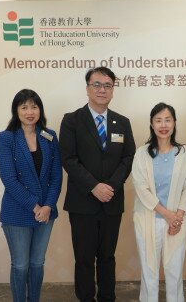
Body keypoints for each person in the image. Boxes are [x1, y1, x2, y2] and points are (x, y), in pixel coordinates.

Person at [59, 66, 136, 301]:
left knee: (107, 257)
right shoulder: (72, 120)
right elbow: (68, 159)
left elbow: (128, 157)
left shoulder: (122, 122)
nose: (102, 90)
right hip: (82, 202)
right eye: (97, 85)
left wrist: (109, 186)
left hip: (111, 201)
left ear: (113, 90)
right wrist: (94, 186)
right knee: (84, 258)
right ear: (87, 88)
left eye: (107, 85)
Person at [0, 89, 62, 302]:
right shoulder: (6, 138)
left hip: (46, 212)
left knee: (37, 263)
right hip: (17, 212)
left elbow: (56, 176)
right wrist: (35, 207)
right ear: (16, 111)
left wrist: (48, 206)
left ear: (40, 109)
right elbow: (9, 180)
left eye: (34, 106)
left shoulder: (49, 136)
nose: (30, 111)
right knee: (21, 265)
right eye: (24, 107)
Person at [132, 103, 186, 302]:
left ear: (175, 123)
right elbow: (141, 187)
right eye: (158, 120)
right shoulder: (142, 153)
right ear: (151, 124)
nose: (163, 125)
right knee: (149, 269)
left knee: (174, 270)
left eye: (168, 120)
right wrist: (167, 214)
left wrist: (178, 217)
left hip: (177, 221)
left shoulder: (184, 153)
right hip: (147, 219)